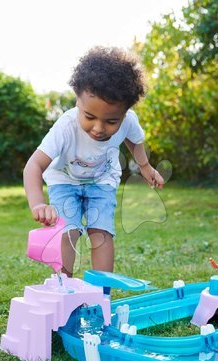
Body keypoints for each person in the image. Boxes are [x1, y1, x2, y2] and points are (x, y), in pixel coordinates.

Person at [23, 46, 164, 281]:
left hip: (102, 181)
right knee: (67, 232)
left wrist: (145, 166)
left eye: (111, 121)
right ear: (77, 100)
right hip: (64, 181)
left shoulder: (129, 121)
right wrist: (38, 204)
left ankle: (101, 294)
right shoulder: (65, 127)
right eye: (89, 117)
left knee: (101, 233)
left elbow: (135, 141)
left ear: (125, 112)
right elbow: (33, 166)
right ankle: (63, 286)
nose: (99, 128)